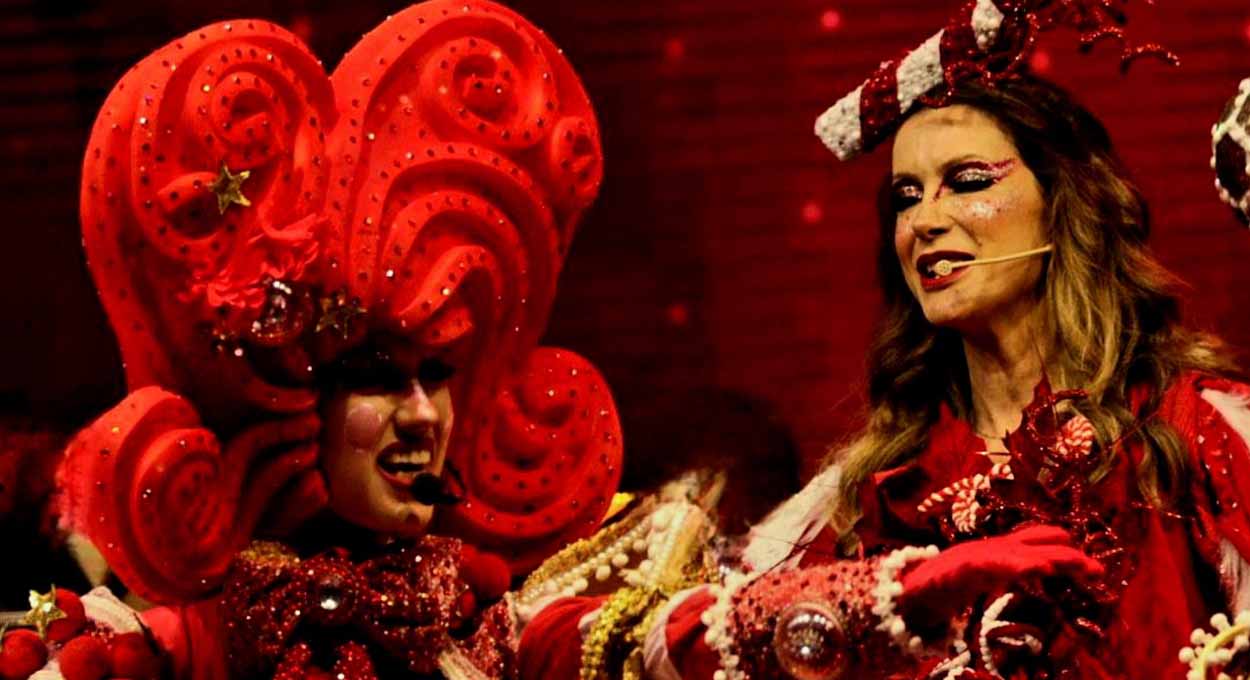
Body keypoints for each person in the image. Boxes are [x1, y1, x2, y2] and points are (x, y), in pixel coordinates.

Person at [516, 3, 1250, 679]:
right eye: (905, 197)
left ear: (1065, 209)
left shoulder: (1195, 431)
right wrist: (878, 599)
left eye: (967, 181)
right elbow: (577, 642)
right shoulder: (866, 490)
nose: (923, 221)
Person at [30, 2, 624, 679]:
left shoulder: (478, 620)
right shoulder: (192, 641)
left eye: (436, 374)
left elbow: (605, 641)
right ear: (296, 400)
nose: (423, 415)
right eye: (377, 378)